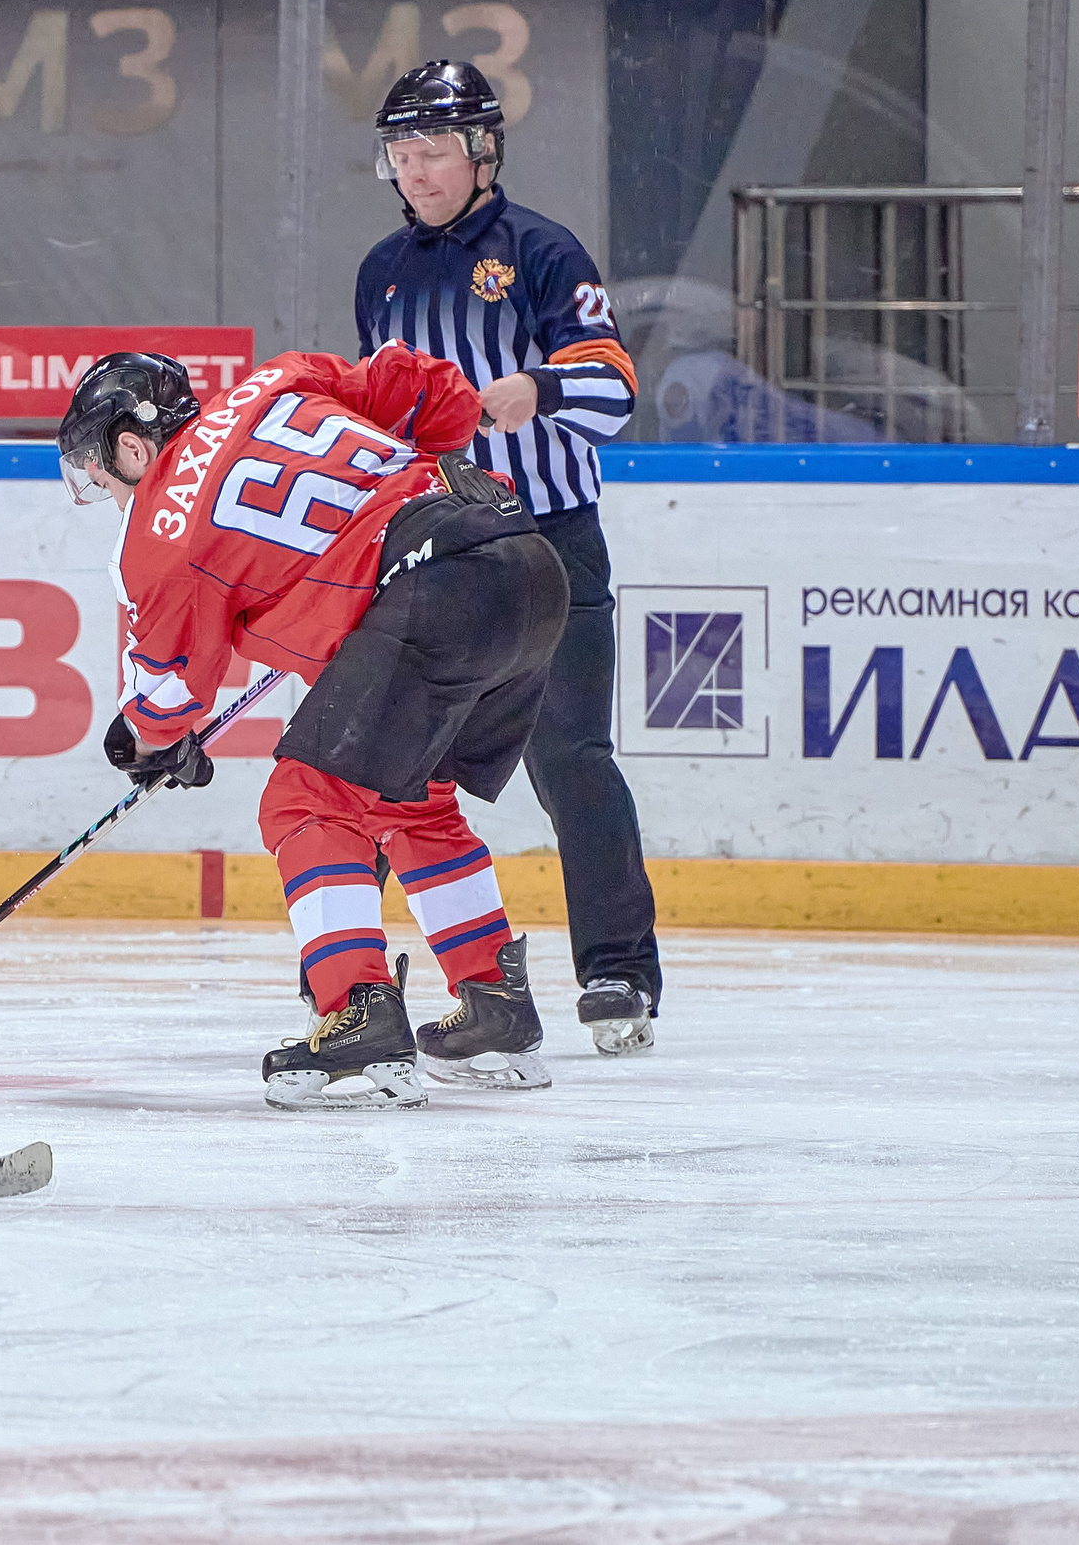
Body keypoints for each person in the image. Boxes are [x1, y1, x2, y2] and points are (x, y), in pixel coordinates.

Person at [59, 349, 568, 1108]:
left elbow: (167, 696)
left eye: (96, 466)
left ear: (131, 445)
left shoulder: (161, 531)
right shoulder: (278, 379)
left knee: (305, 802)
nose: (99, 483)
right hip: (524, 562)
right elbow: (432, 389)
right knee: (410, 799)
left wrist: (147, 743)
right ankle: (495, 1004)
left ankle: (356, 1010)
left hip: (433, 590)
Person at [354, 58, 662, 1057]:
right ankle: (373, 977)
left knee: (569, 760)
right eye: (402, 153)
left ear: (482, 150)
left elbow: (615, 387)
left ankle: (617, 968)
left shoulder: (540, 250)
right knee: (394, 768)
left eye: (435, 149)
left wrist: (542, 386)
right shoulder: (381, 272)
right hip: (442, 552)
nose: (418, 170)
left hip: (551, 541)